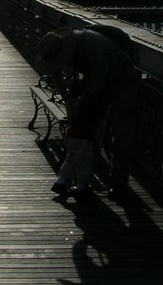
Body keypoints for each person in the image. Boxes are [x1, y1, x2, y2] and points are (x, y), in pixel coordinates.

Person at [36, 26, 137, 198]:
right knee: (91, 131)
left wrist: (79, 104)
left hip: (122, 79)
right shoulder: (66, 47)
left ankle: (118, 181)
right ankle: (86, 177)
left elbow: (98, 81)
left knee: (122, 130)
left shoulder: (93, 44)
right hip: (98, 80)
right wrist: (67, 98)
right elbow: (56, 74)